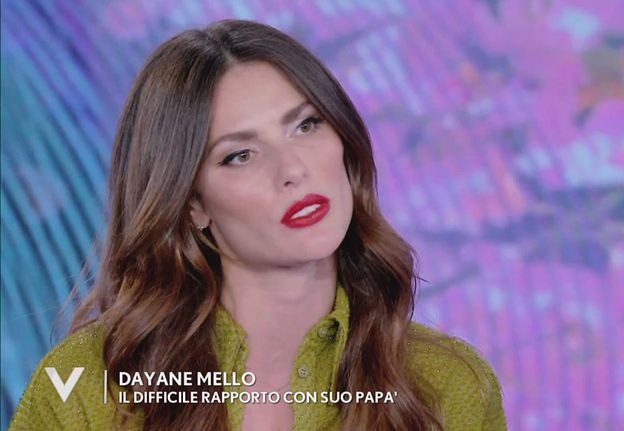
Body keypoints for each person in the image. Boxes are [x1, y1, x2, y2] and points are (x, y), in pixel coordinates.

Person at [9, 19, 506, 431]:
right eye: (240, 155)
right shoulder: (82, 386)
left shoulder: (449, 384)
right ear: (191, 204)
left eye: (306, 125)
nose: (293, 170)